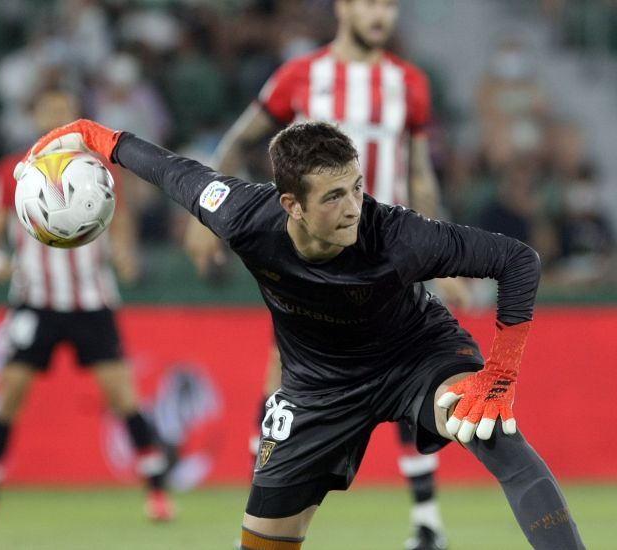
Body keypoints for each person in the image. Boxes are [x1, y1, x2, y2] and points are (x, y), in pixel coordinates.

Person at [22, 118, 586, 550]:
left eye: (356, 187)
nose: (353, 207)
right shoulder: (243, 216)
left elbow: (517, 260)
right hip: (316, 387)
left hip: (416, 357)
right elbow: (173, 171)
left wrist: (501, 375)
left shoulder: (399, 236)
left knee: (490, 429)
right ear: (290, 204)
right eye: (334, 196)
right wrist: (94, 135)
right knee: (263, 538)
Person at [184, 2, 467, 546]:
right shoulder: (300, 77)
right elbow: (241, 141)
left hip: (391, 259)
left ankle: (427, 524)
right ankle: (263, 510)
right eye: (369, 1)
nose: (381, 12)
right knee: (283, 379)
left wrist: (445, 250)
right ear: (343, 7)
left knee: (415, 373)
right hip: (314, 262)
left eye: (389, 3)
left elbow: (419, 173)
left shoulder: (409, 84)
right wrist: (206, 214)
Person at [0, 89, 174, 527]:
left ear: (73, 119)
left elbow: (121, 227)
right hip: (34, 301)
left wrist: (125, 257)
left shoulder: (96, 169)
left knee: (122, 394)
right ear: (35, 117)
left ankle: (157, 492)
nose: (56, 118)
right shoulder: (11, 172)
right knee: (10, 394)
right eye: (49, 111)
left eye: (64, 112)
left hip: (91, 300)